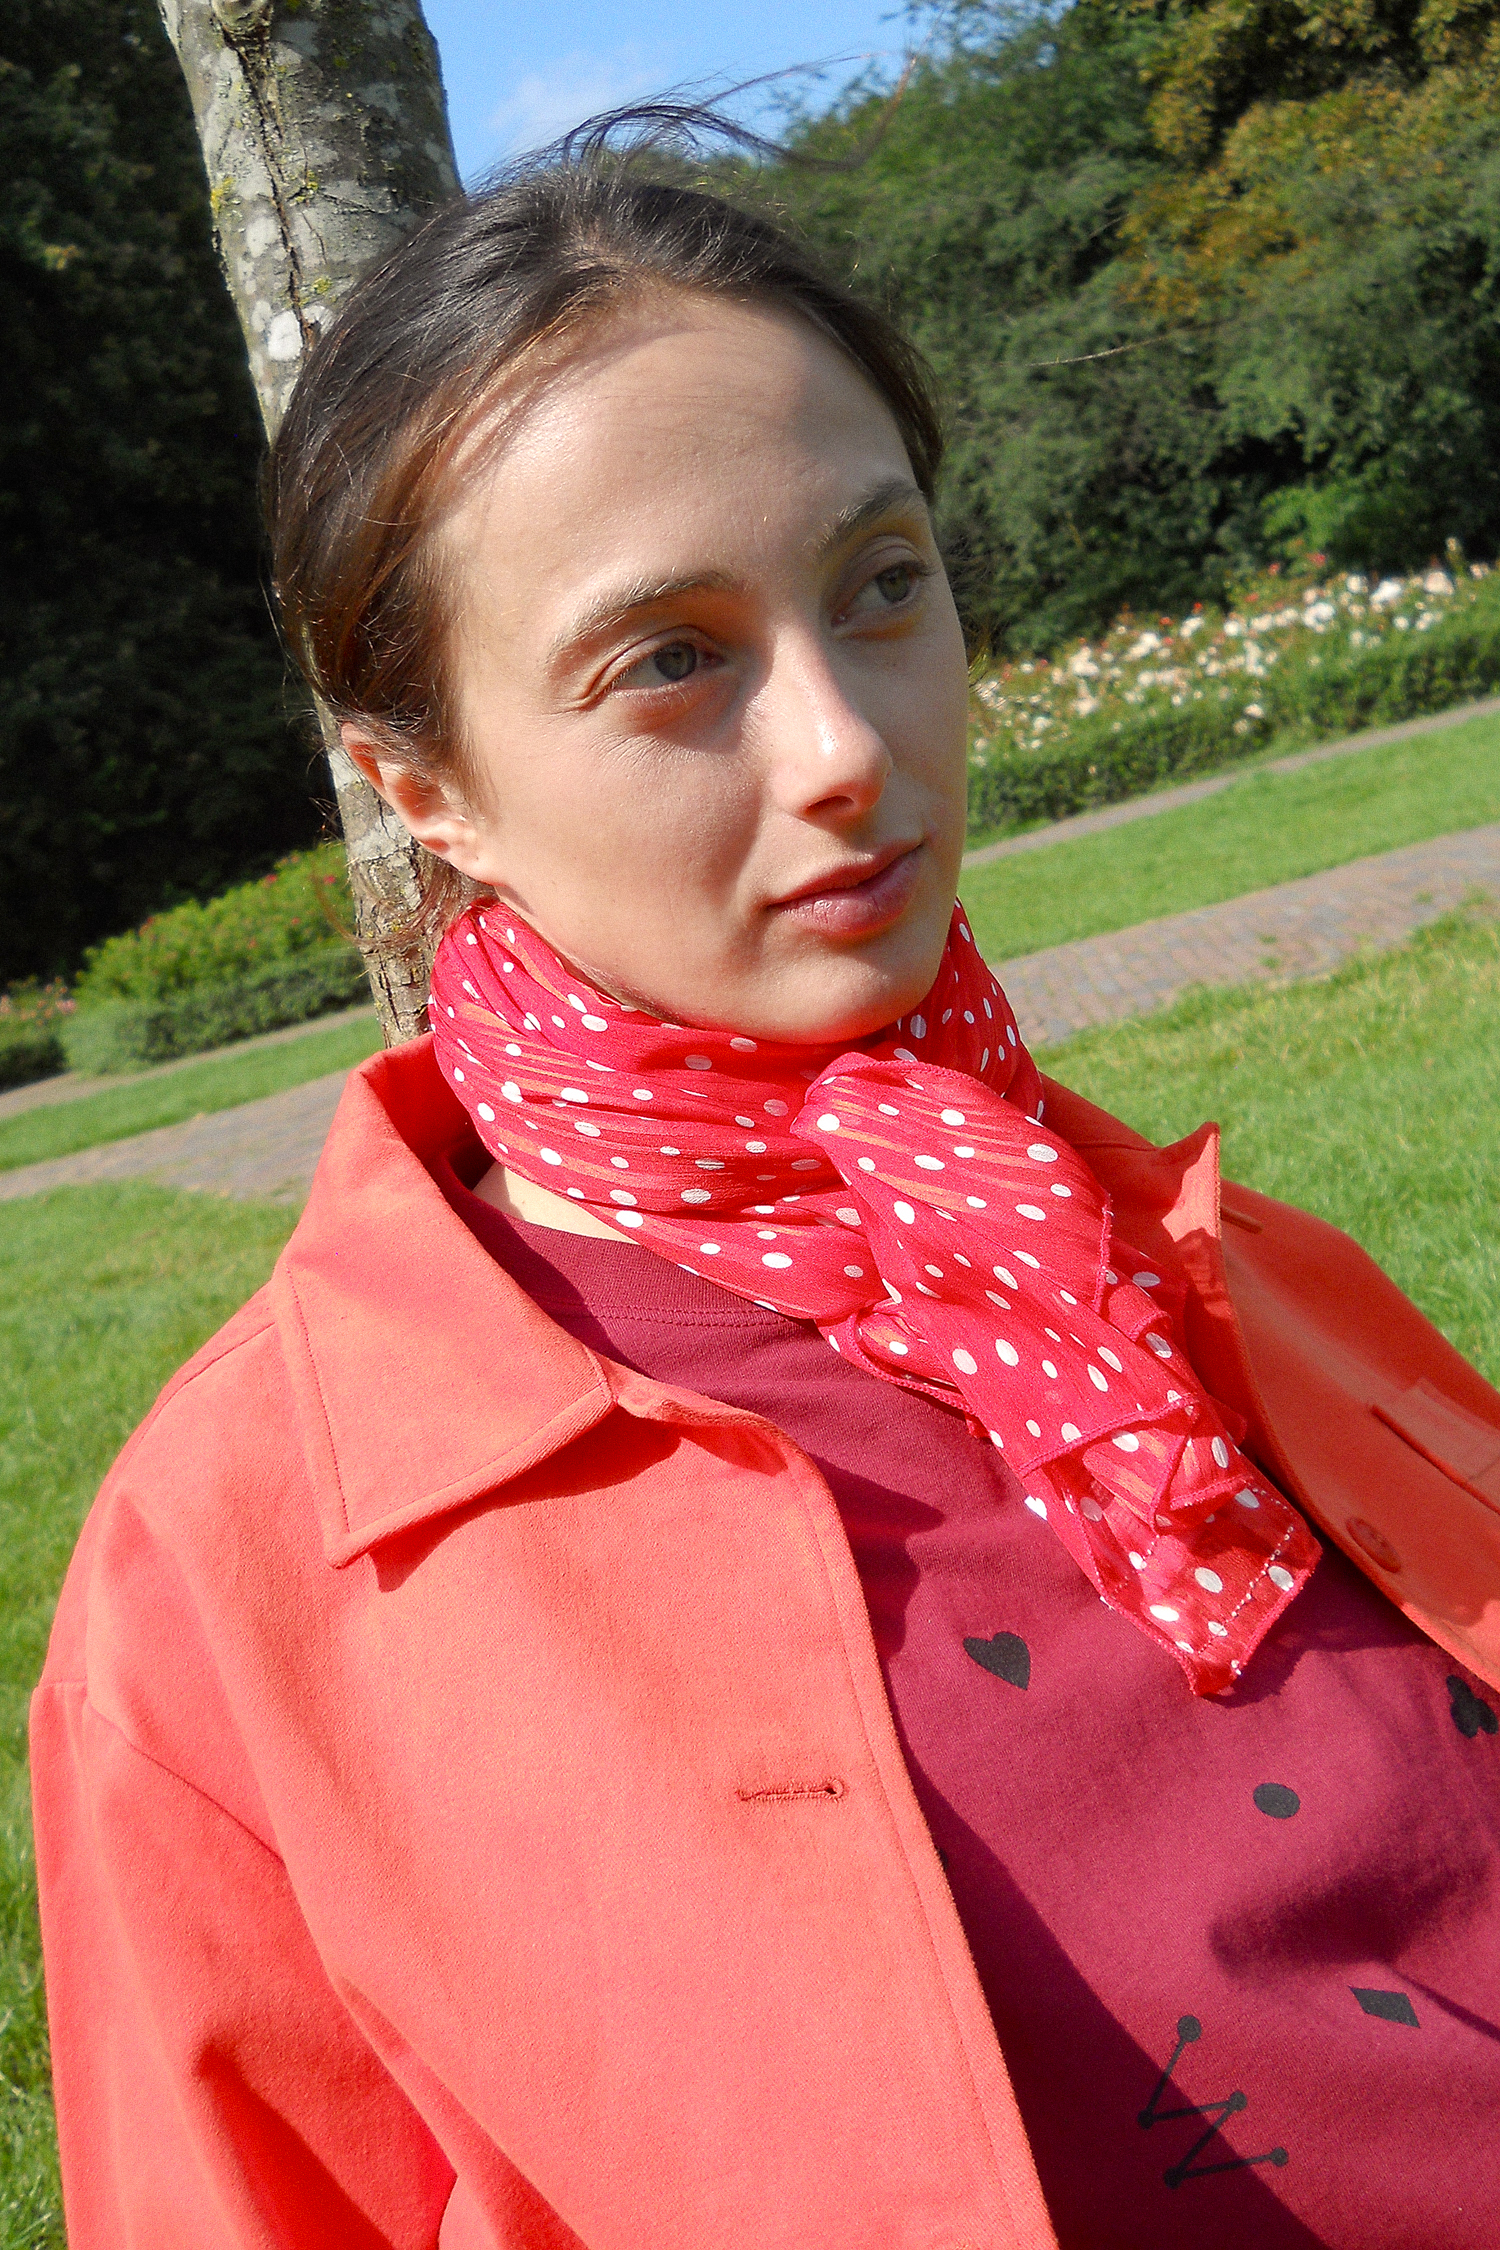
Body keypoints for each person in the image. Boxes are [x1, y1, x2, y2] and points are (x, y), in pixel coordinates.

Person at [31, 128, 1500, 2250]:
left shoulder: (1221, 1261)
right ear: (426, 786)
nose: (845, 746)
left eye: (883, 582)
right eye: (670, 660)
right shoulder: (227, 1596)